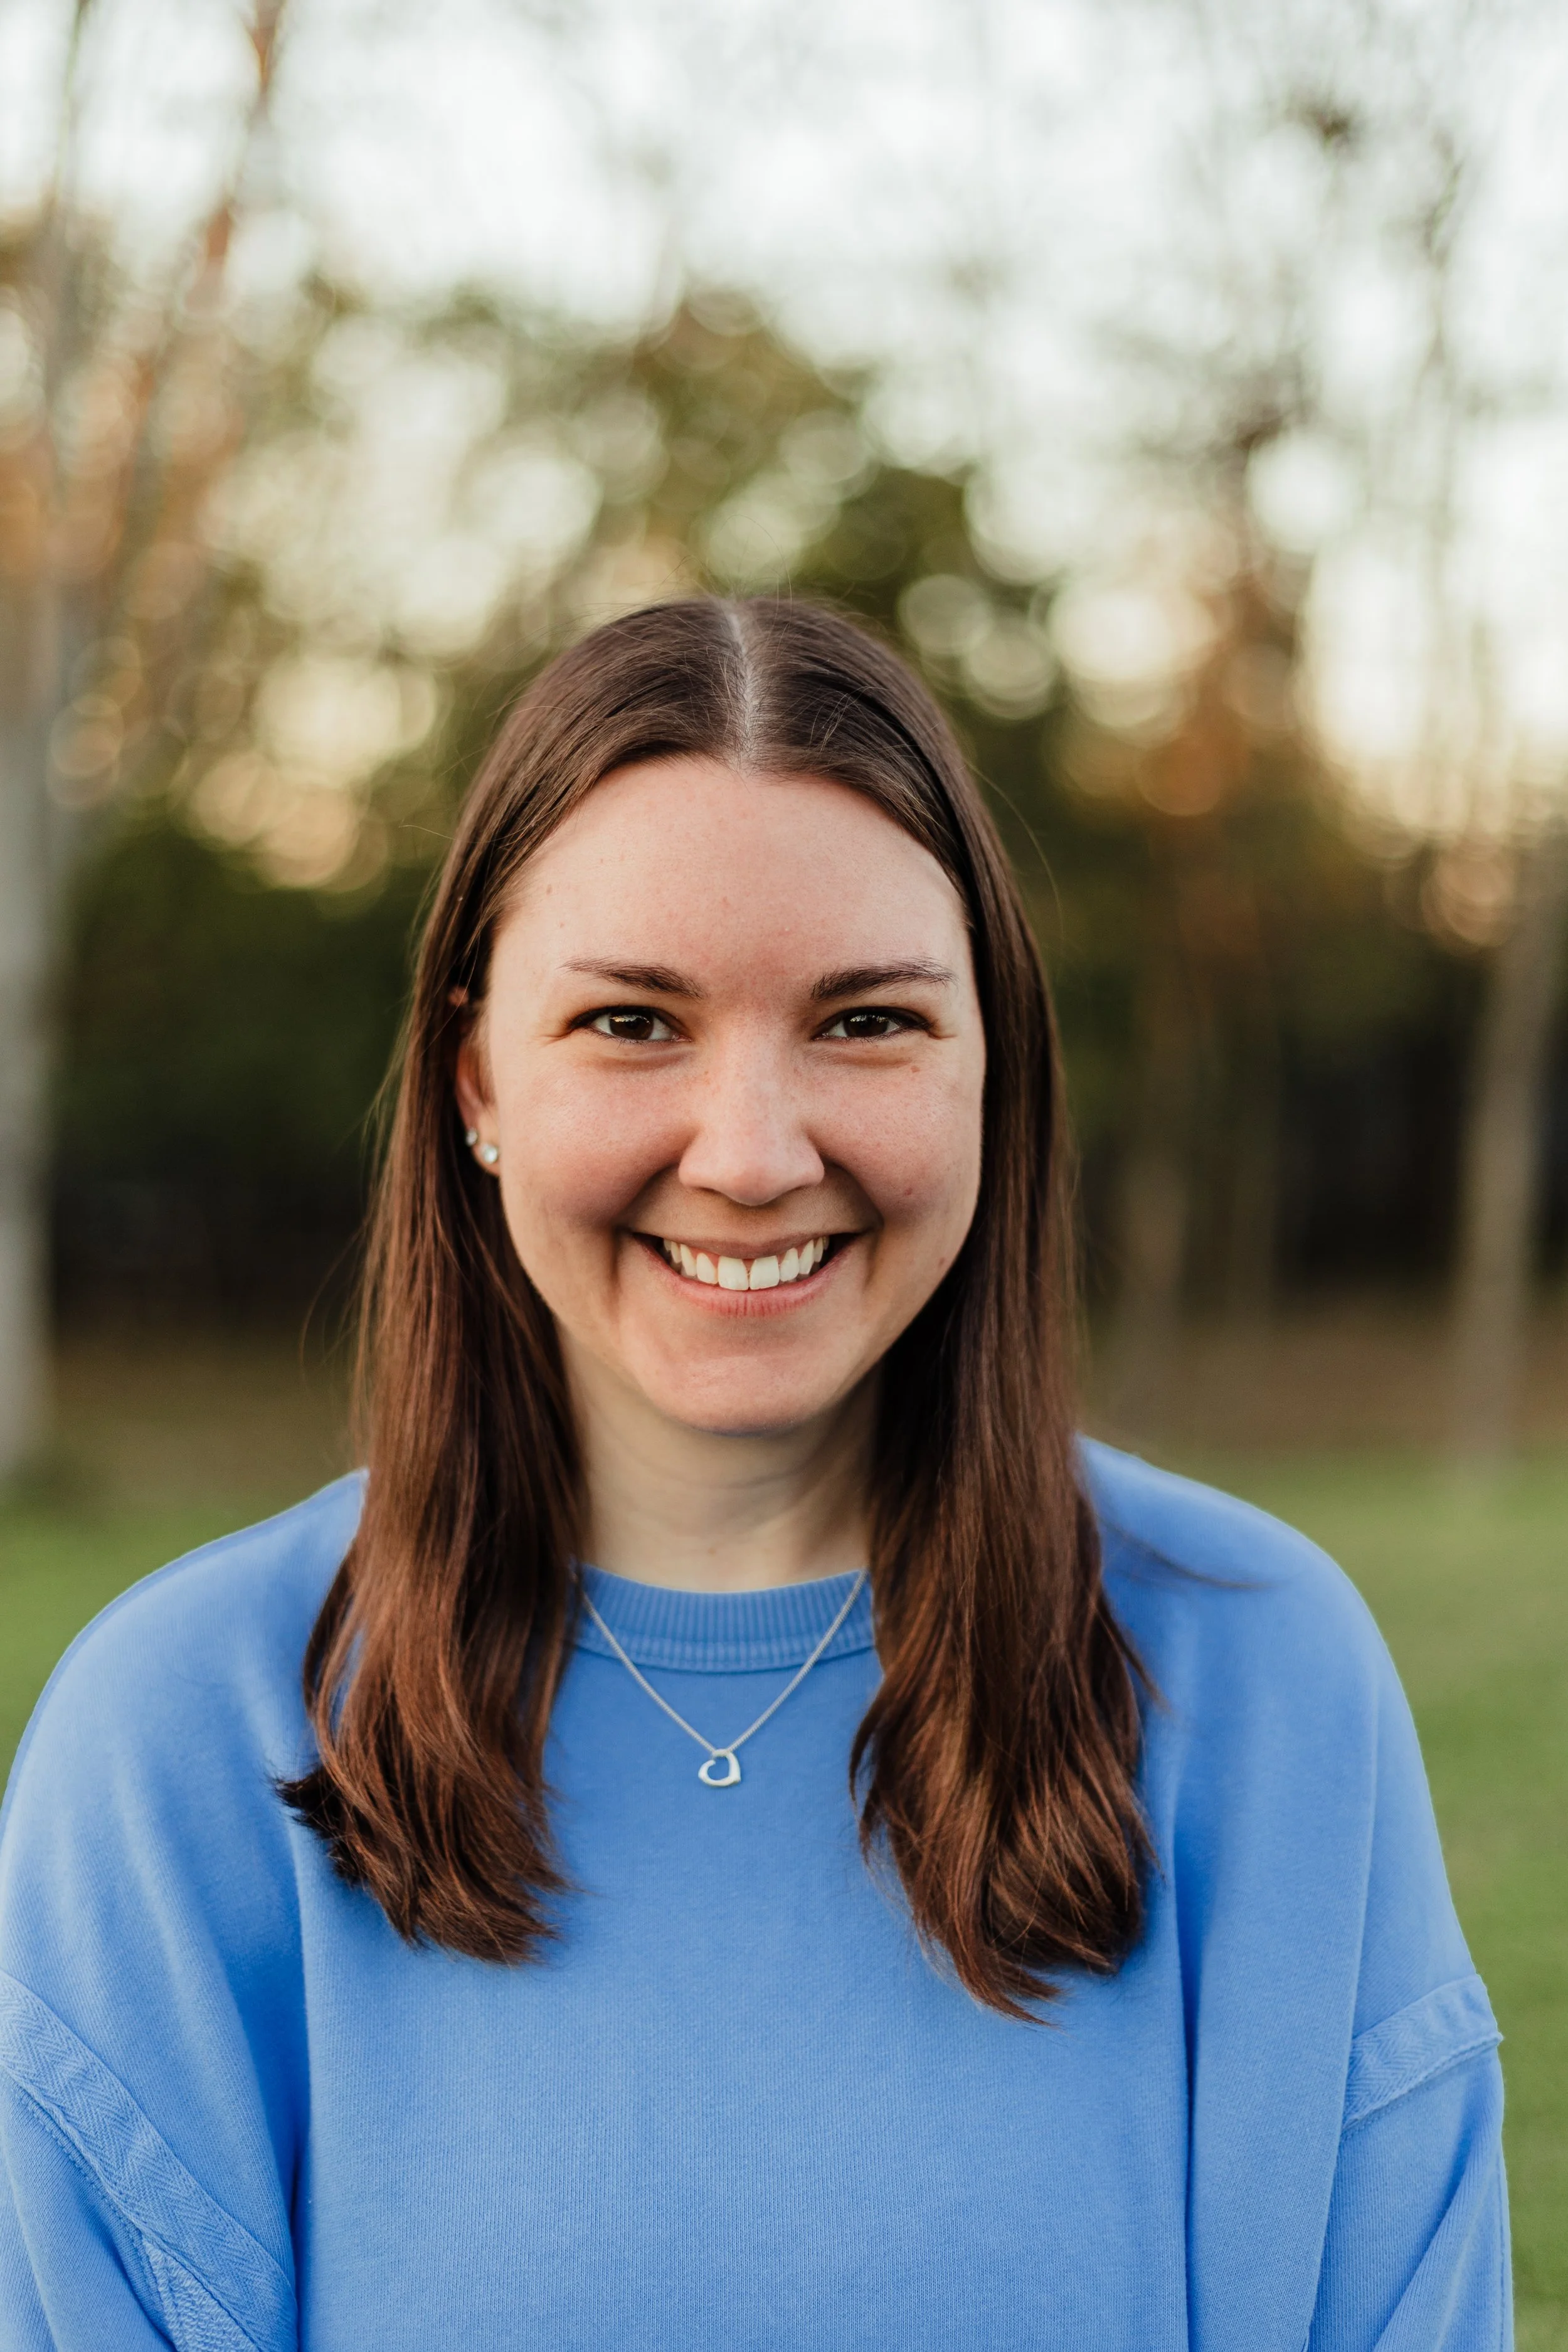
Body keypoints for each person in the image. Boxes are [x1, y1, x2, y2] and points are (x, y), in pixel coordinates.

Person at [0, 600, 1508, 2352]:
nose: (750, 1153)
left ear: (987, 1070)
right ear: (478, 1073)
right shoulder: (178, 1738)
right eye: (633, 1021)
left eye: (864, 1020)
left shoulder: (1263, 1688)